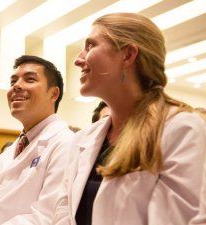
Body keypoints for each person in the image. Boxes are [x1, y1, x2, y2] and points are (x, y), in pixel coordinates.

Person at [52, 13, 206, 225]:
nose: (79, 60)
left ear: (128, 55)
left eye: (90, 46)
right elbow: (63, 212)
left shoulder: (182, 129)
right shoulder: (83, 139)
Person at [0, 55, 74, 225]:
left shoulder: (65, 143)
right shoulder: (8, 153)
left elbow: (46, 217)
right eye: (13, 82)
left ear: (53, 93)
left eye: (30, 79)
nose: (16, 86)